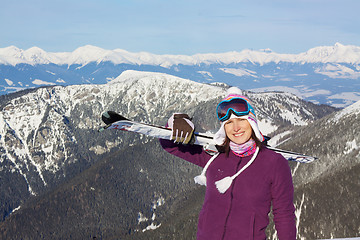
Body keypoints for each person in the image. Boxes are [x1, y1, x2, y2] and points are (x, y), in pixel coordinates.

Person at [159, 87, 296, 240]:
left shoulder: (274, 163)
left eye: (241, 120)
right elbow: (169, 145)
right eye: (229, 122)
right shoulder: (215, 156)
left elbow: (284, 214)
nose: (236, 128)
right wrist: (175, 122)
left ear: (252, 123)